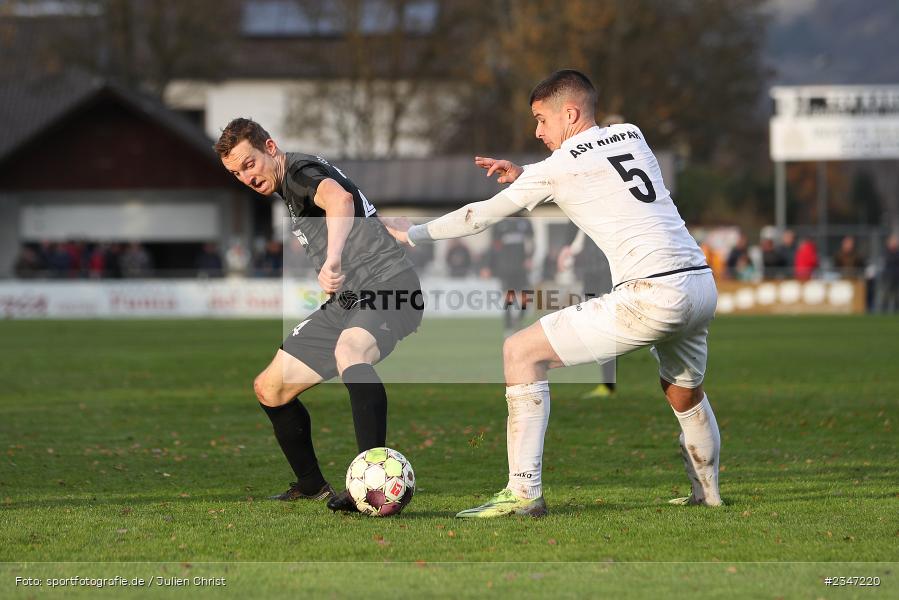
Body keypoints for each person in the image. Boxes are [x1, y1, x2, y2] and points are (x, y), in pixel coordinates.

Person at [390, 70, 721, 517]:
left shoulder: (559, 168)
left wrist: (414, 233)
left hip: (651, 293)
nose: (537, 131)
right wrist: (528, 173)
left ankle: (523, 494)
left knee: (520, 352)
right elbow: (597, 169)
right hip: (700, 284)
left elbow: (479, 216)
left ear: (570, 113)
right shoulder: (631, 133)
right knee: (684, 392)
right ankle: (709, 496)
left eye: (541, 119)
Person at [214, 118, 423, 512]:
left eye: (249, 163)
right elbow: (352, 203)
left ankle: (373, 480)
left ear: (270, 148)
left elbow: (340, 199)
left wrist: (332, 258)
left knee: (350, 353)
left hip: (388, 286)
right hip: (349, 298)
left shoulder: (297, 172)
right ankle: (311, 485)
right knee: (270, 389)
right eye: (236, 173)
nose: (246, 176)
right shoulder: (294, 179)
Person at [558, 226, 616, 398]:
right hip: (590, 272)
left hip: (607, 271)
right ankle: (606, 383)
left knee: (606, 327)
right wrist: (567, 248)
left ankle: (608, 383)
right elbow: (573, 223)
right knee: (596, 323)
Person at [483, 218, 534, 337]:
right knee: (508, 298)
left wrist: (530, 258)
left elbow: (531, 242)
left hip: (521, 267)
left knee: (526, 297)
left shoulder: (525, 222)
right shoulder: (499, 223)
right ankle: (508, 326)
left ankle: (519, 320)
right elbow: (494, 246)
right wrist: (487, 265)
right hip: (505, 268)